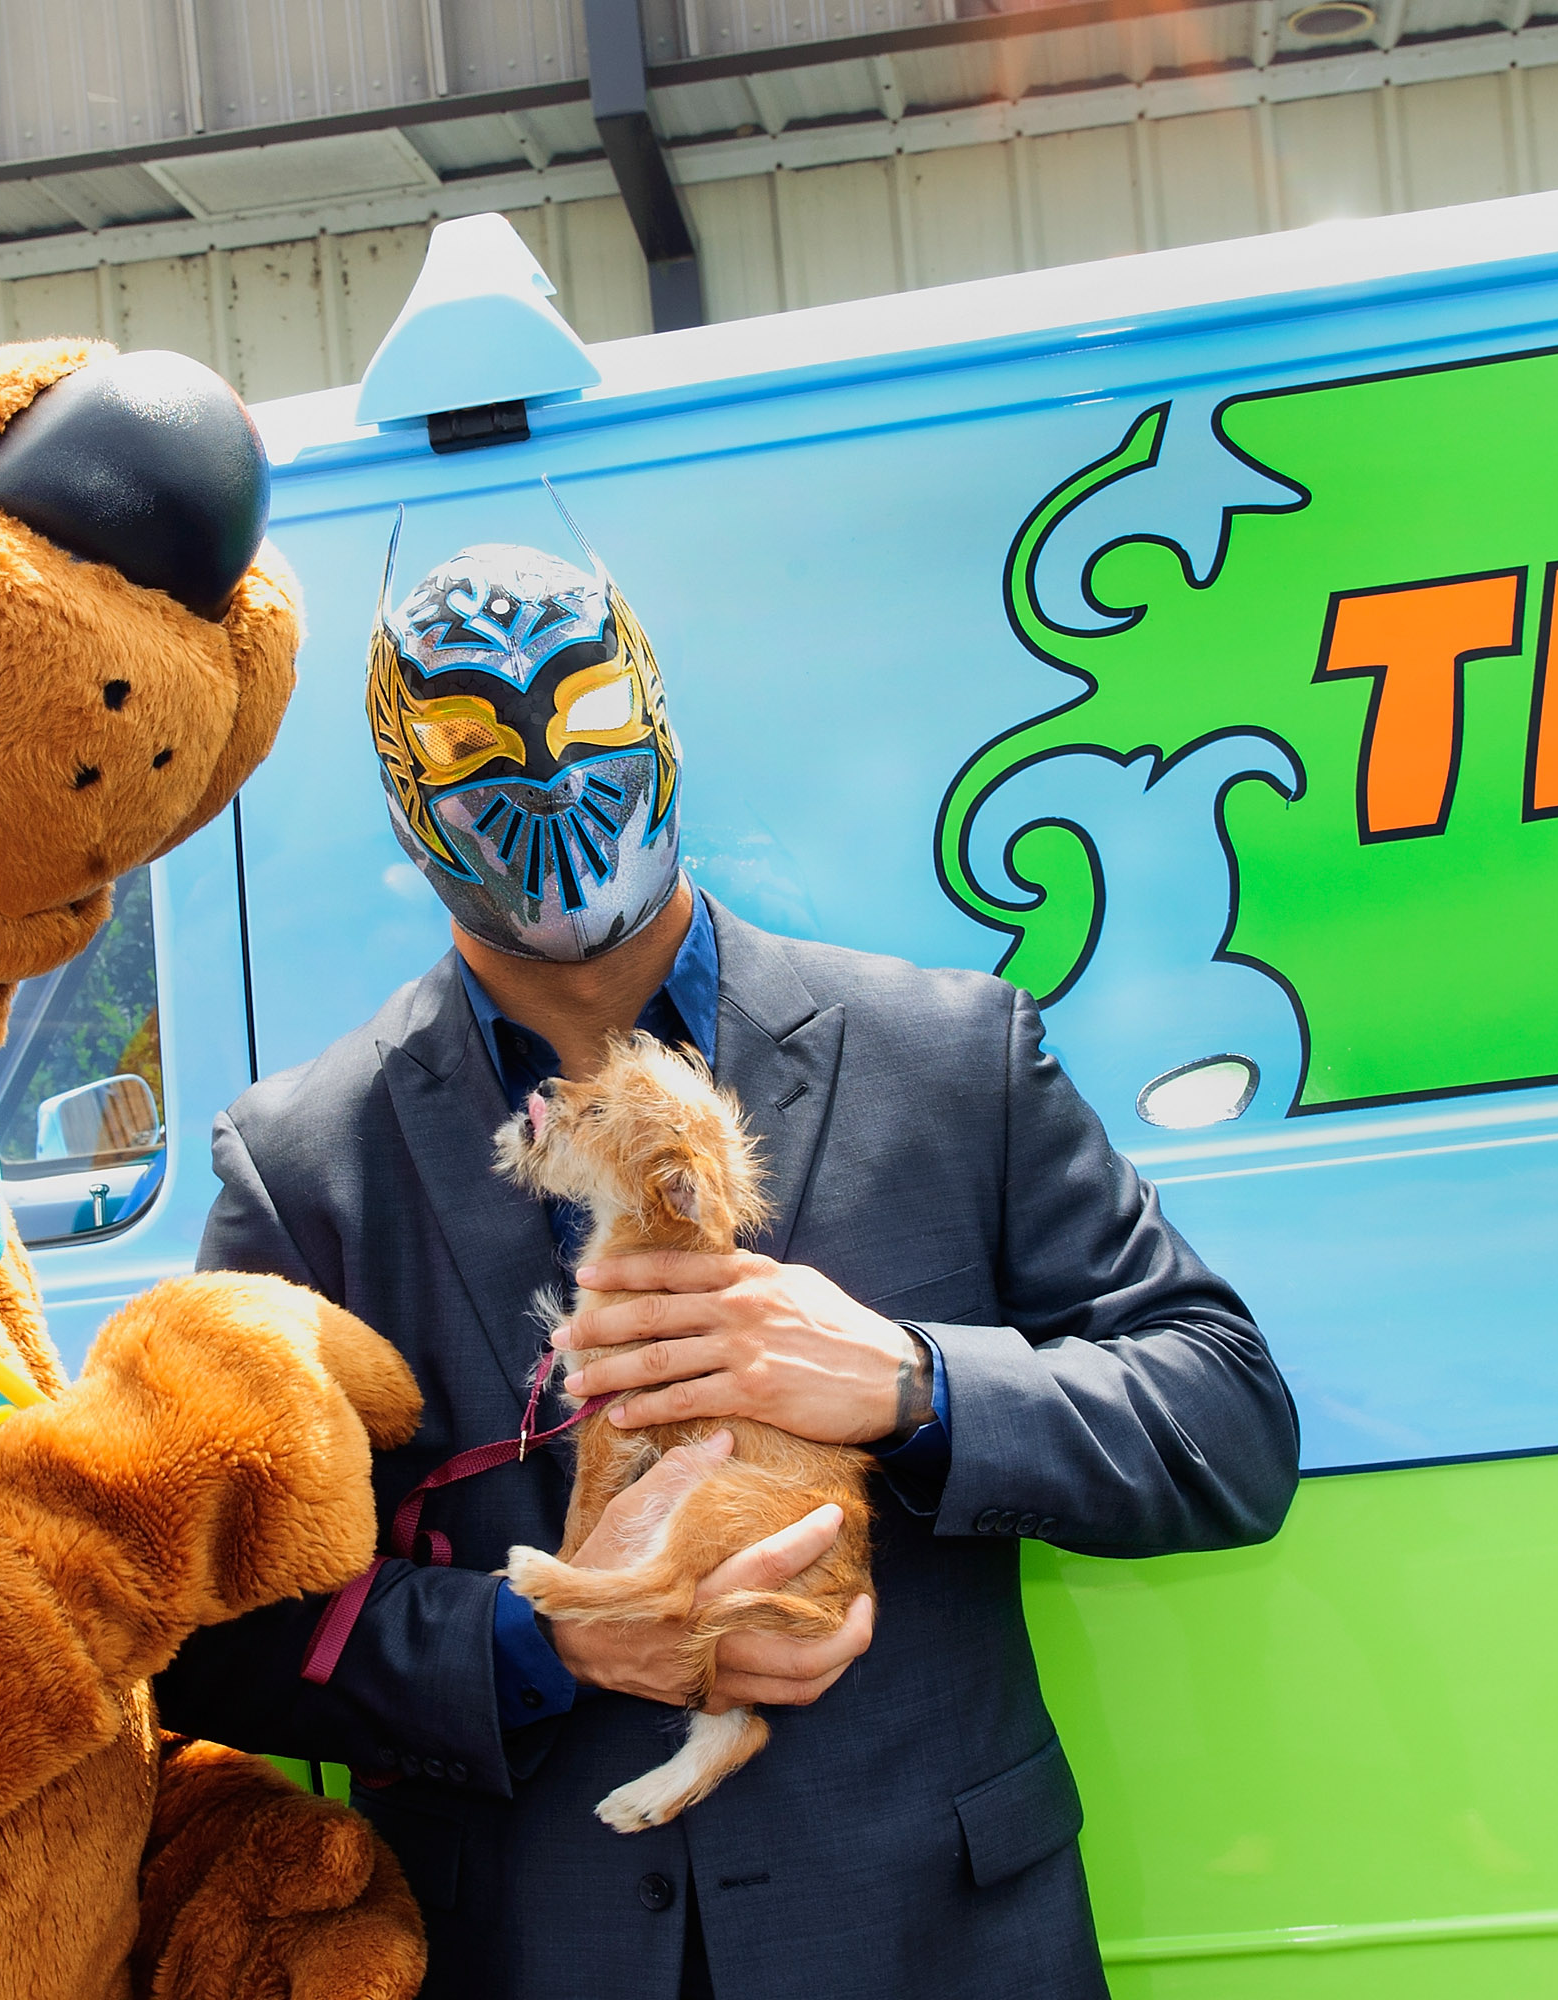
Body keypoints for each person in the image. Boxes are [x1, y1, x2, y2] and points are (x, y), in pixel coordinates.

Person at [152, 539, 1300, 1999]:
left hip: (930, 1946)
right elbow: (209, 1633)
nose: (547, 783)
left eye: (586, 722)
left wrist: (906, 1382)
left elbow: (1232, 1428)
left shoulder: (950, 1059)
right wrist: (540, 1640)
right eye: (471, 748)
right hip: (525, 1954)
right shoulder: (309, 1162)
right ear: (403, 787)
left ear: (657, 719)